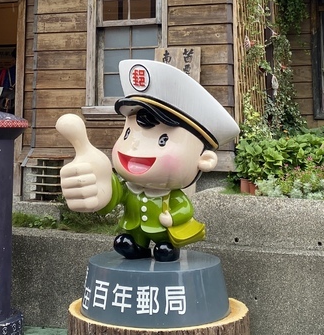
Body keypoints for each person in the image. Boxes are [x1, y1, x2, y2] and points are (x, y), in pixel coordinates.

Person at [57, 59, 239, 262]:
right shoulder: (131, 188)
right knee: (125, 242)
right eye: (127, 134)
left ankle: (166, 246)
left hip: (163, 230)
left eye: (163, 140)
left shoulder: (172, 196)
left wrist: (172, 218)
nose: (134, 147)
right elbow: (117, 196)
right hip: (136, 227)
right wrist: (102, 186)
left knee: (164, 250)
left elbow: (184, 208)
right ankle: (137, 245)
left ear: (204, 159)